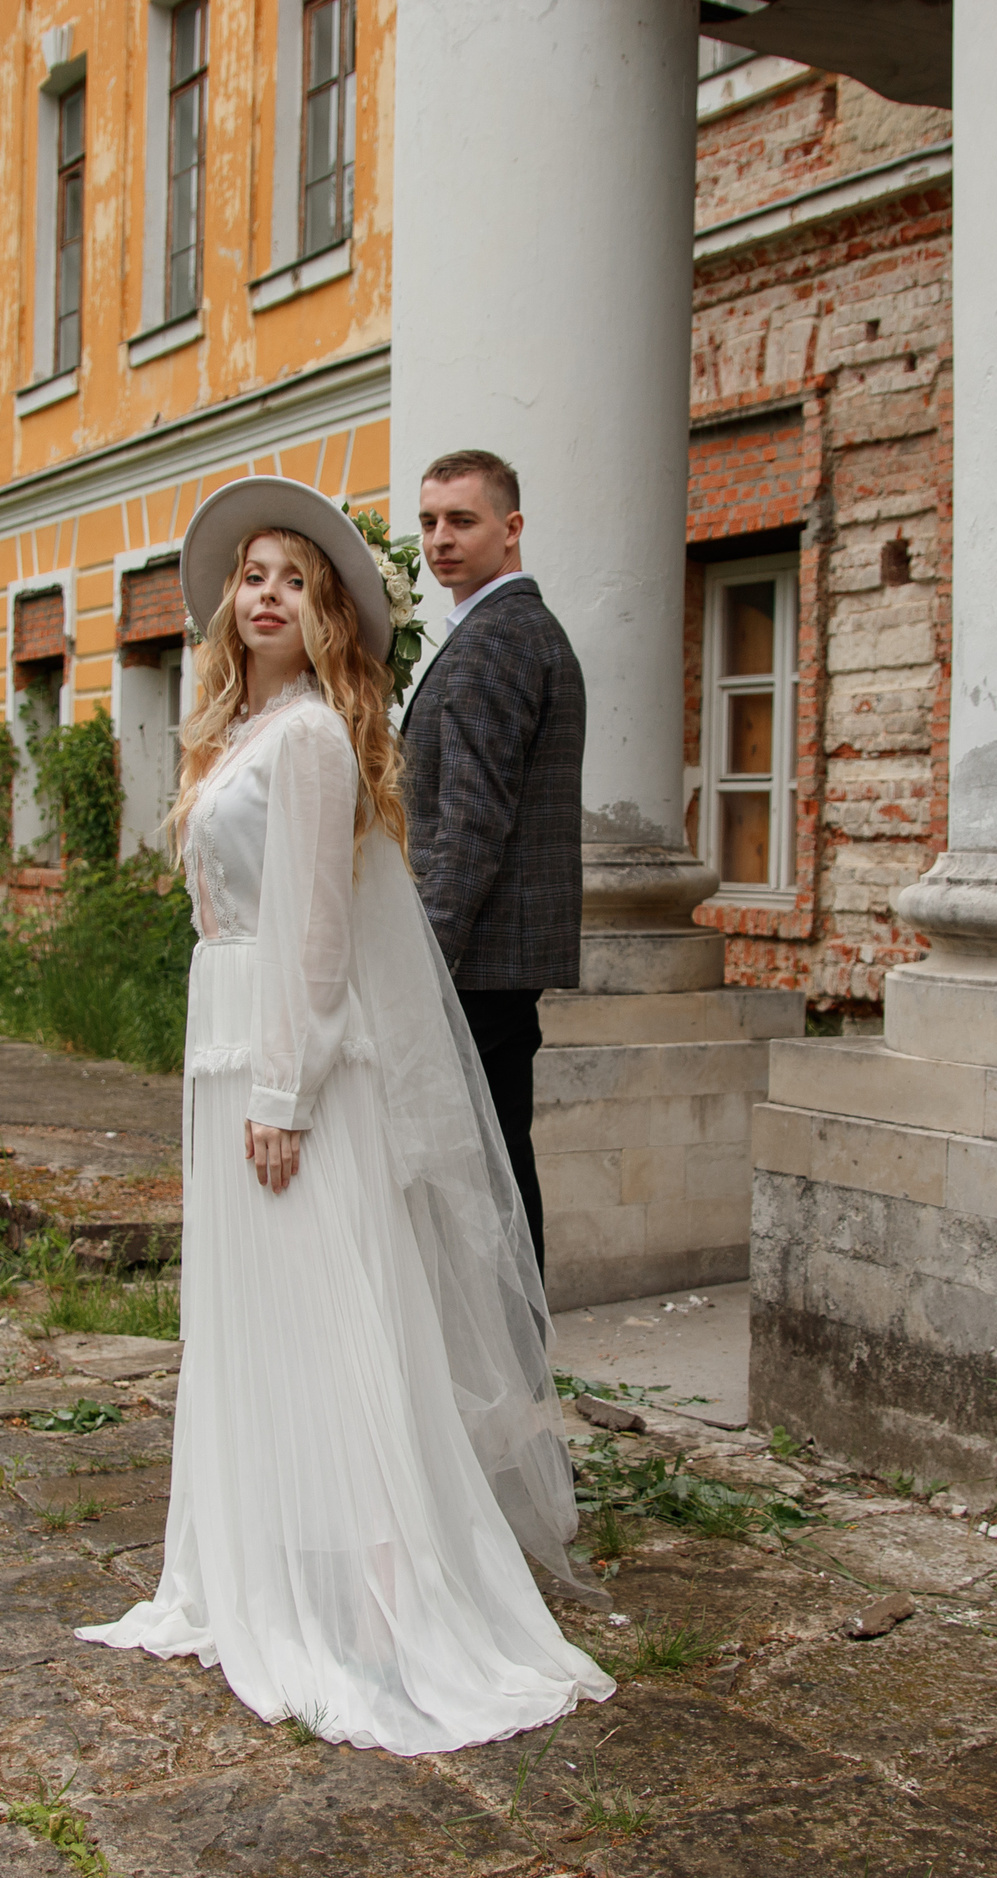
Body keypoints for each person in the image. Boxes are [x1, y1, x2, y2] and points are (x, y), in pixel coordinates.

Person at [74, 475, 612, 1757]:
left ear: (324, 614)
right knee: (253, 1323)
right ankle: (255, 1569)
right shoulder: (236, 734)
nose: (266, 594)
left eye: (294, 581)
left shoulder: (314, 737)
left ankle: (378, 1603)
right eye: (252, 575)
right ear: (227, 601)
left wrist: (284, 1095)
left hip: (289, 1068)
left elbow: (317, 930)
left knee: (332, 1317)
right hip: (224, 1047)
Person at [398, 450, 586, 1276]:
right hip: (498, 957)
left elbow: (471, 826)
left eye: (461, 521)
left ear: (510, 530)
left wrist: (423, 964)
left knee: (484, 1172)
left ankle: (506, 1373)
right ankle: (511, 1369)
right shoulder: (508, 629)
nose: (440, 539)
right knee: (497, 1159)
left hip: (478, 962)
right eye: (430, 521)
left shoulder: (495, 642)